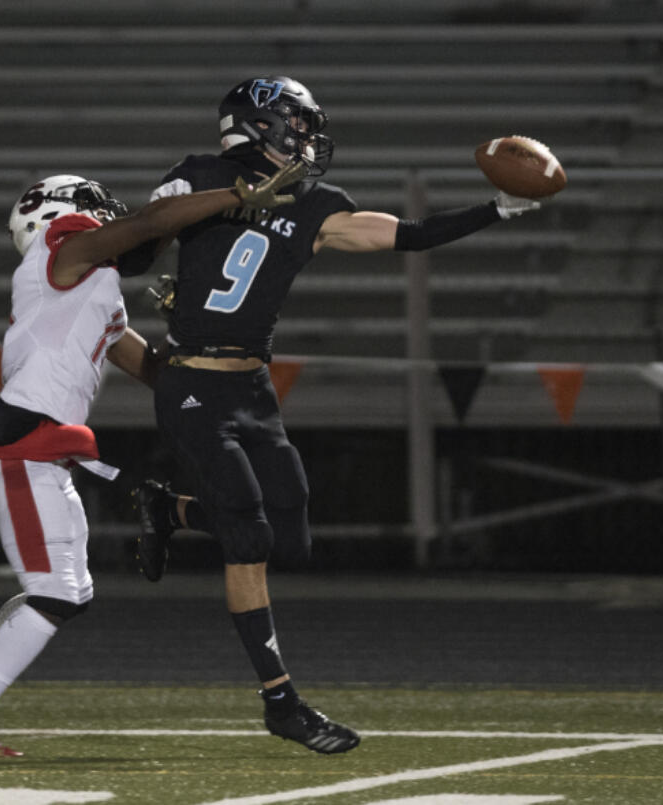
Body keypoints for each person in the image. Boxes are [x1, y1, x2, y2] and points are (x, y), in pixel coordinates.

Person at [128, 75, 542, 755]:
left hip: (253, 388)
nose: (309, 136)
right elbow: (139, 246)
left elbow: (408, 234)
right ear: (260, 123)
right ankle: (281, 699)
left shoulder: (315, 202)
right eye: (298, 122)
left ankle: (169, 509)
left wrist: (495, 209)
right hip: (193, 382)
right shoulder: (196, 176)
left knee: (289, 539)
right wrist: (212, 207)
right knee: (250, 537)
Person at [0, 168, 300, 757]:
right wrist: (236, 196)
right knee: (56, 593)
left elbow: (154, 371)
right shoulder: (59, 250)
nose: (105, 216)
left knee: (69, 590)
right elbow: (146, 224)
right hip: (25, 437)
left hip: (43, 442)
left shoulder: (89, 286)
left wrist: (190, 325)